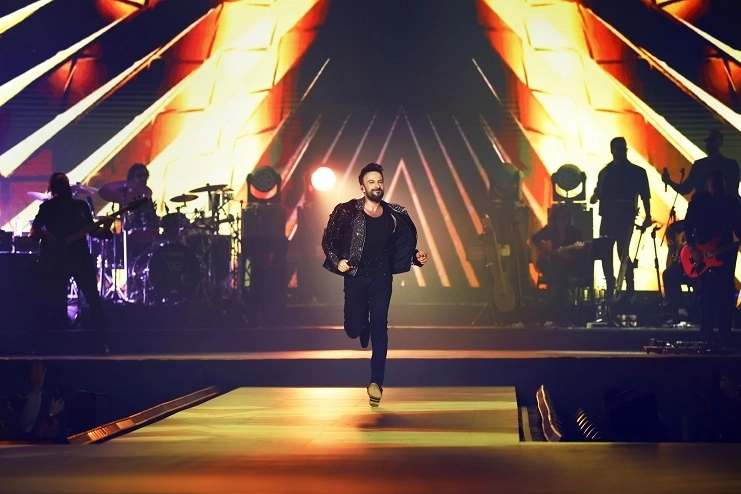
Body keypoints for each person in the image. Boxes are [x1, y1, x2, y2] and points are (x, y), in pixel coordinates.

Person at [322, 163, 428, 407]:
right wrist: (338, 261)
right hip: (356, 277)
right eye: (371, 182)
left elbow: (399, 246)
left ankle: (376, 383)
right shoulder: (347, 211)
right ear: (362, 187)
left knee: (380, 326)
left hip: (381, 278)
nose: (377, 186)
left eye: (380, 181)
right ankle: (363, 325)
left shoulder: (394, 214)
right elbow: (328, 241)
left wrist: (415, 257)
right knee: (352, 329)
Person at [30, 172, 112, 354]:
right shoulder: (47, 208)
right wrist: (47, 235)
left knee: (93, 300)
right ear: (53, 188)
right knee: (54, 302)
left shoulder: (81, 207)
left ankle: (102, 343)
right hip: (57, 260)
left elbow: (95, 232)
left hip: (80, 258)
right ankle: (50, 345)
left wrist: (106, 227)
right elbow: (34, 231)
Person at [683, 171, 741, 346]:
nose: (717, 188)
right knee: (706, 294)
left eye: (719, 184)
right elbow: (687, 226)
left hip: (726, 253)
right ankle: (706, 334)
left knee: (725, 293)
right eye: (713, 184)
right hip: (702, 253)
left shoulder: (732, 203)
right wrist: (693, 249)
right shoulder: (698, 202)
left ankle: (724, 335)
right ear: (707, 184)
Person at [590, 137, 652, 299]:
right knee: (606, 252)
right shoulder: (605, 172)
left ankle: (629, 286)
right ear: (612, 150)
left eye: (624, 149)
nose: (622, 152)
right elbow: (599, 190)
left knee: (622, 253)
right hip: (608, 217)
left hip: (624, 218)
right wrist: (595, 196)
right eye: (619, 149)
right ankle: (610, 285)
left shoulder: (636, 172)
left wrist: (648, 216)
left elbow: (645, 195)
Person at [530, 203, 586, 322]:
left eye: (566, 216)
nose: (564, 219)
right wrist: (544, 249)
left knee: (556, 282)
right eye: (561, 216)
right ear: (555, 218)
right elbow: (534, 239)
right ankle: (561, 310)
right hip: (554, 267)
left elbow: (579, 260)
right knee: (542, 263)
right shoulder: (550, 230)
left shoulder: (576, 233)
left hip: (569, 267)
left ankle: (556, 314)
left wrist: (567, 257)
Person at [662, 129, 740, 200]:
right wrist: (669, 181)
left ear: (720, 142)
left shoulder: (700, 165)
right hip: (719, 208)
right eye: (707, 141)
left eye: (711, 140)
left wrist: (669, 181)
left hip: (707, 208)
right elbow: (685, 188)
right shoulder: (730, 165)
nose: (708, 144)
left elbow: (685, 189)